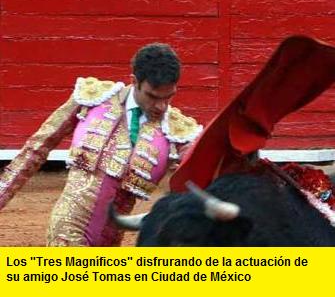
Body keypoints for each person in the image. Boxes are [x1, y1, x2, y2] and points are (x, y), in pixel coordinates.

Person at [0, 43, 202, 246]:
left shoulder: (177, 130)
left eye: (169, 97)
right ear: (134, 82)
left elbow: (204, 172)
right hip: (68, 227)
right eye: (152, 96)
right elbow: (36, 149)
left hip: (112, 239)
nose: (161, 106)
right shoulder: (93, 98)